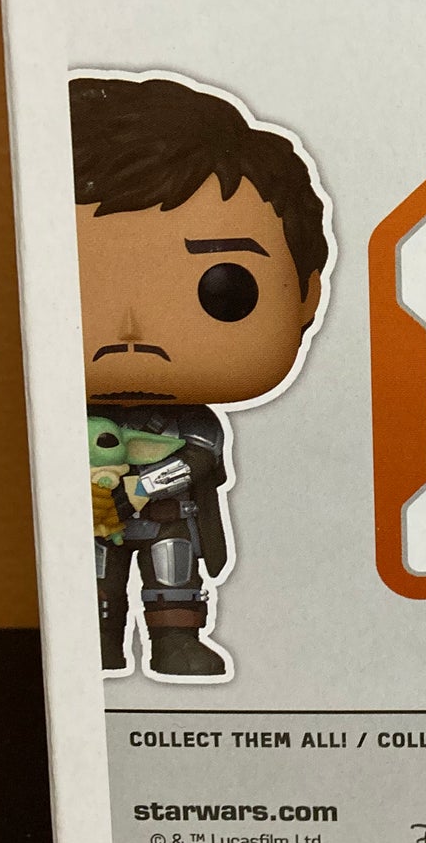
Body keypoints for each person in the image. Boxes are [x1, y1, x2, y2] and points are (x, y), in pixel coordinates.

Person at [70, 74, 328, 678]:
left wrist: (143, 487)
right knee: (92, 582)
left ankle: (176, 641)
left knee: (174, 576)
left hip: (167, 514)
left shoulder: (193, 423)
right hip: (92, 518)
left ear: (305, 297)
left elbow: (200, 456)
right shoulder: (63, 420)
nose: (130, 333)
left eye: (224, 290)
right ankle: (96, 640)